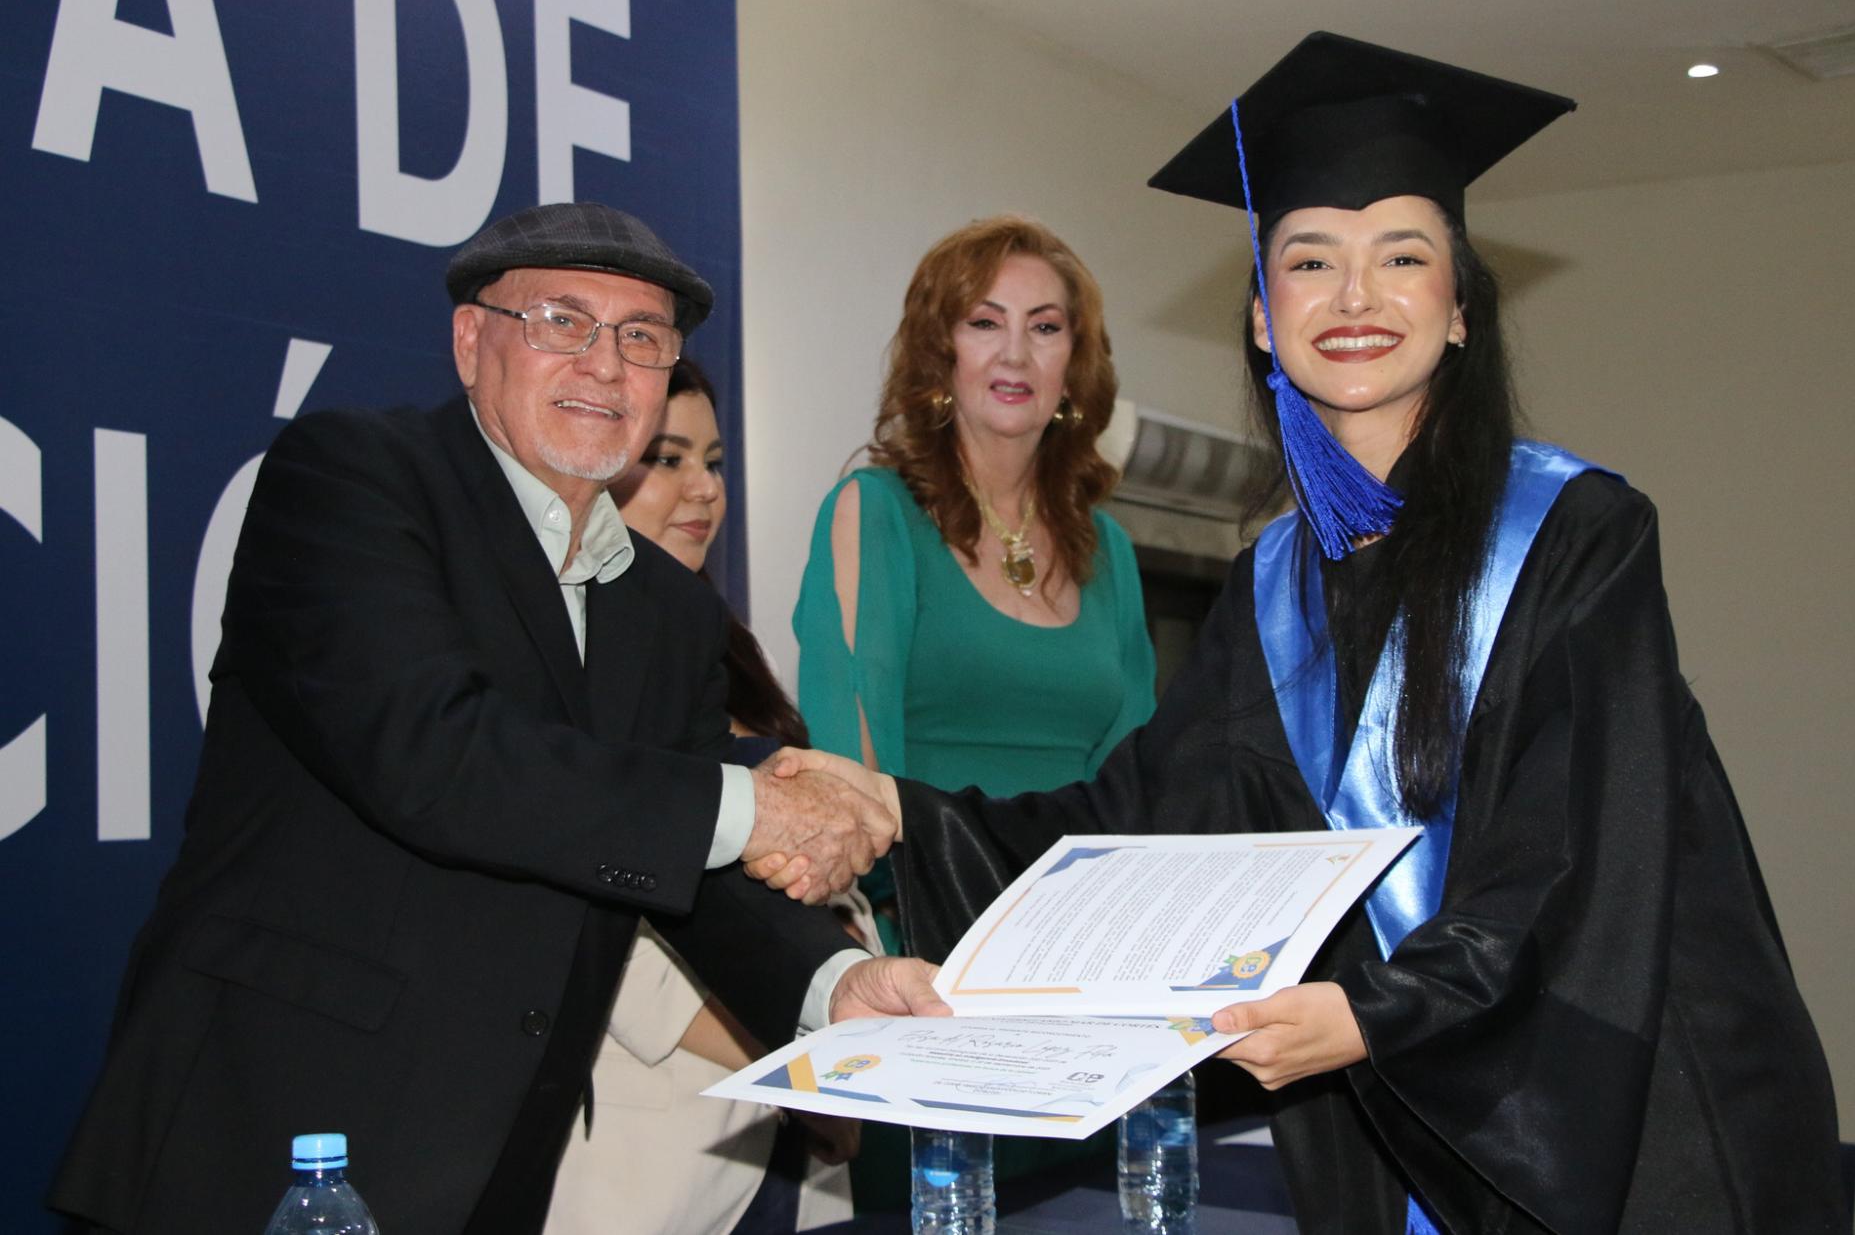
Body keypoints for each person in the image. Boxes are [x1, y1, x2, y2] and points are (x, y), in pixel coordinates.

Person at [763, 37, 1849, 1232]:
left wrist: (1375, 1013)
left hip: (1627, 1113)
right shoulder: (1271, 586)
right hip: (1391, 1111)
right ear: (1263, 318)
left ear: (1459, 311)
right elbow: (1140, 822)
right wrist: (897, 810)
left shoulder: (1576, 533)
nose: (1353, 296)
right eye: (1309, 260)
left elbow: (1578, 850)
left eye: (1402, 256)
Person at [48, 202, 941, 1235]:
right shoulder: (352, 478)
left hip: (501, 1165)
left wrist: (832, 985)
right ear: (471, 341)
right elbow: (437, 753)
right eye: (562, 320)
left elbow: (685, 867)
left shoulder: (670, 609)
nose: (605, 364)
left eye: (642, 337)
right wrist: (755, 806)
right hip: (278, 1142)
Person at [790, 214, 1156, 1203]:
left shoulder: (1112, 552)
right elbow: (849, 778)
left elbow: (1140, 785)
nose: (1014, 352)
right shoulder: (874, 512)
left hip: (1085, 987)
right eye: (984, 322)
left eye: (1046, 326)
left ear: (1075, 364)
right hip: (933, 980)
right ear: (938, 351)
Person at [545, 358, 874, 1234]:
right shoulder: (562, 656)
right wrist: (804, 1067)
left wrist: (845, 1050)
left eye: (715, 461)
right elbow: (596, 931)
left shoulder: (724, 644)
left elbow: (828, 870)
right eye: (668, 458)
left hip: (800, 1133)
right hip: (663, 1146)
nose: (704, 488)